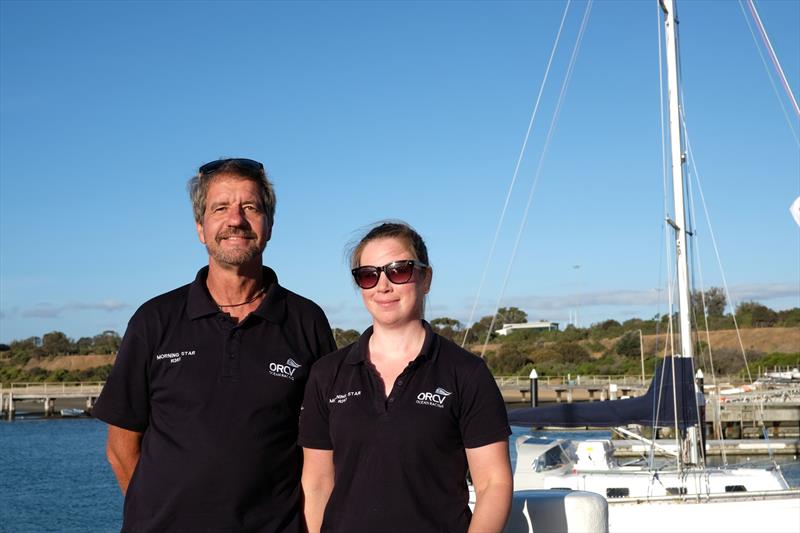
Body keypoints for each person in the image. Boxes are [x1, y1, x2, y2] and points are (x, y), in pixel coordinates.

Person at [93, 158, 336, 532]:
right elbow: (120, 447)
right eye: (220, 208)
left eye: (251, 207)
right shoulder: (153, 320)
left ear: (269, 226)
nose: (235, 220)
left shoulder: (306, 322)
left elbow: (322, 451)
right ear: (201, 228)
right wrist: (156, 514)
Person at [299, 221, 512, 533]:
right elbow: (317, 483)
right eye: (368, 275)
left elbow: (494, 484)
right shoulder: (327, 373)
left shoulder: (466, 373)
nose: (383, 286)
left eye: (398, 270)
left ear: (425, 278)